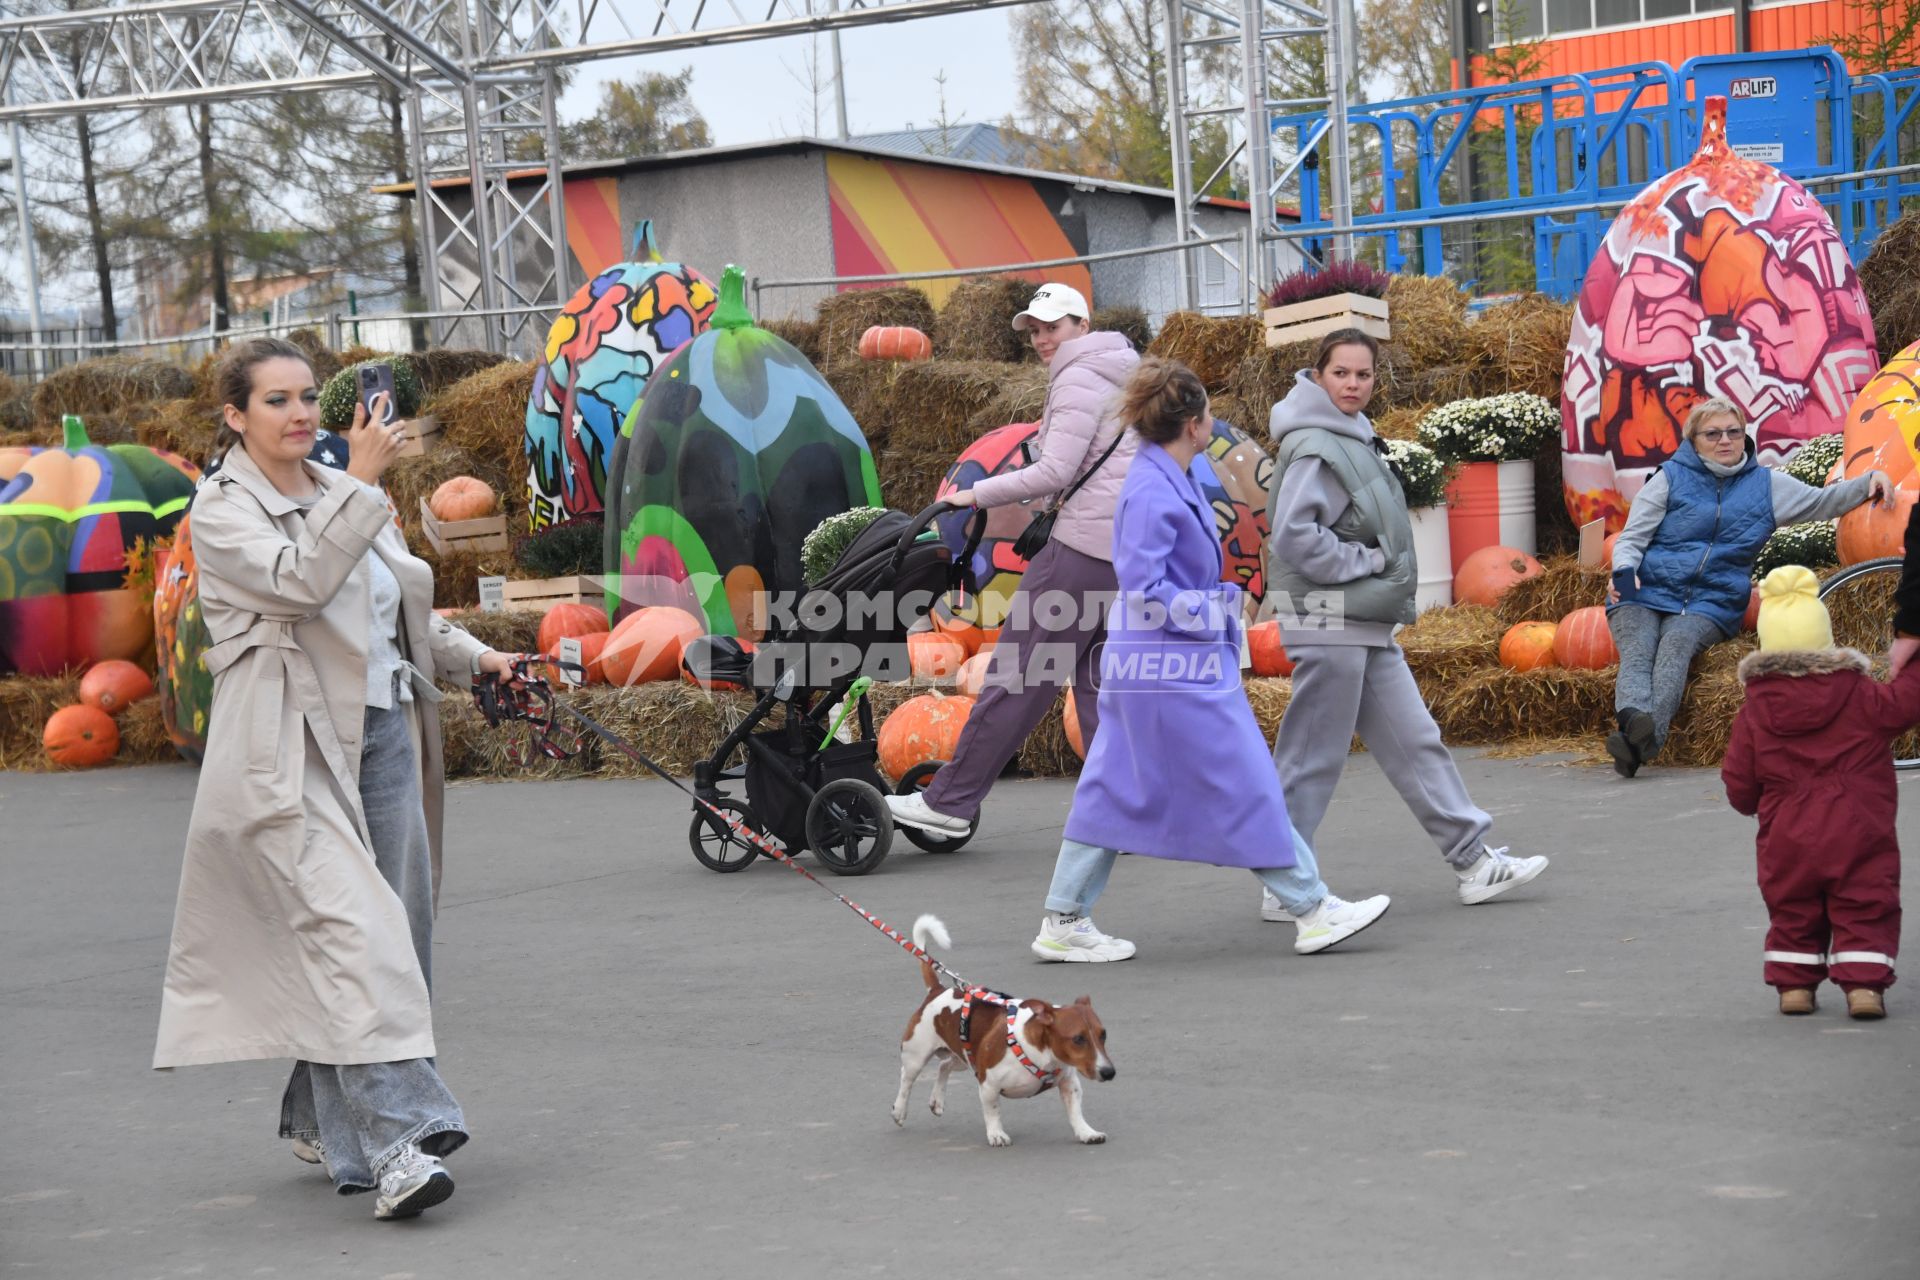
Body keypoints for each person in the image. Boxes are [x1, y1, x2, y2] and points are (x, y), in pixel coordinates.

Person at [152, 337, 522, 1220]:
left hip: (384, 732)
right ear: (236, 417)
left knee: (393, 934)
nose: (301, 412)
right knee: (355, 936)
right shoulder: (223, 510)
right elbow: (302, 585)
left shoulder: (340, 493)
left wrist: (479, 659)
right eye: (276, 400)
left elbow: (393, 613)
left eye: (308, 396)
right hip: (289, 750)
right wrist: (359, 482)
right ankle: (401, 1145)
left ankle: (316, 1112)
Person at [1031, 358, 1391, 962]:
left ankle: (1064, 918)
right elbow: (1146, 590)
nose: (1212, 424)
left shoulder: (1159, 475)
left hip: (1155, 668)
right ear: (1194, 424)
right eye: (1208, 416)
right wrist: (1218, 612)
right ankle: (1310, 906)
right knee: (1245, 779)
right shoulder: (1152, 487)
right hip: (1173, 671)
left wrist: (1215, 604)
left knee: (1113, 788)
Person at [1265, 330, 1548, 918]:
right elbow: (1294, 536)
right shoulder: (1317, 445)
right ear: (1317, 376)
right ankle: (1285, 881)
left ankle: (1474, 861)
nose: (1352, 384)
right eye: (1340, 373)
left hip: (1358, 619)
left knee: (1415, 740)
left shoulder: (1350, 437)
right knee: (1312, 755)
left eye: (1362, 375)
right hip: (1329, 618)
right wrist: (1364, 563)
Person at [889, 282, 1140, 837]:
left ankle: (949, 803)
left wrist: (972, 495)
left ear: (1082, 323)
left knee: (1015, 680)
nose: (1043, 339)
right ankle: (1121, 813)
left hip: (1078, 552)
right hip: (1120, 552)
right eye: (1035, 330)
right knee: (1095, 687)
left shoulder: (1078, 377)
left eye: (1054, 327)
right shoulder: (1127, 369)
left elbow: (1055, 471)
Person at [1607, 398, 1890, 776]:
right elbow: (1631, 538)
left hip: (1711, 599)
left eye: (1733, 432)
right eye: (1713, 434)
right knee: (1639, 648)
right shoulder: (1669, 478)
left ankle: (1637, 737)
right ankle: (1638, 734)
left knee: (1675, 647)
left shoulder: (1767, 486)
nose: (1725, 440)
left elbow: (1823, 502)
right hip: (1645, 589)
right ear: (1693, 440)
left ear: (1744, 436)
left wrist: (1867, 483)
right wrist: (1624, 573)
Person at [1722, 565, 1918, 1019]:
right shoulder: (1862, 695)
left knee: (1792, 907)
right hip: (1859, 829)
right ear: (1826, 640)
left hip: (1786, 836)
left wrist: (1749, 803)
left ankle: (1794, 987)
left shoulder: (1754, 712)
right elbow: (1907, 703)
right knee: (1865, 901)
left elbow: (1739, 780)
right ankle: (1864, 988)